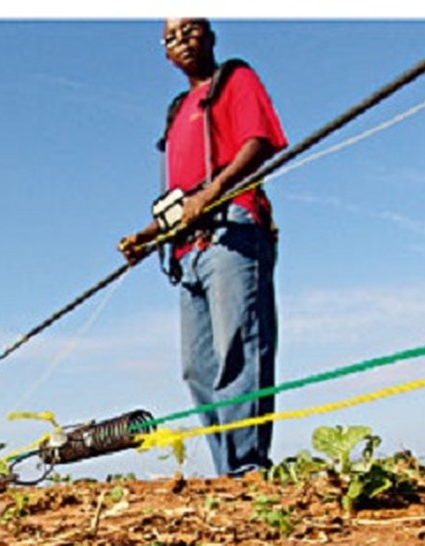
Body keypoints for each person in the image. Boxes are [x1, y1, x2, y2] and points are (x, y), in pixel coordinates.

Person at [119, 18, 287, 476]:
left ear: (210, 36)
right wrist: (147, 236)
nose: (182, 41)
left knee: (239, 348)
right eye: (171, 37)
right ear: (165, 52)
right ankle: (228, 471)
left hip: (231, 230)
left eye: (190, 30)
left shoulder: (234, 78)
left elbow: (258, 143)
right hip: (184, 251)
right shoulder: (177, 111)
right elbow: (180, 198)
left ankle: (248, 469)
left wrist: (212, 194)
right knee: (197, 367)